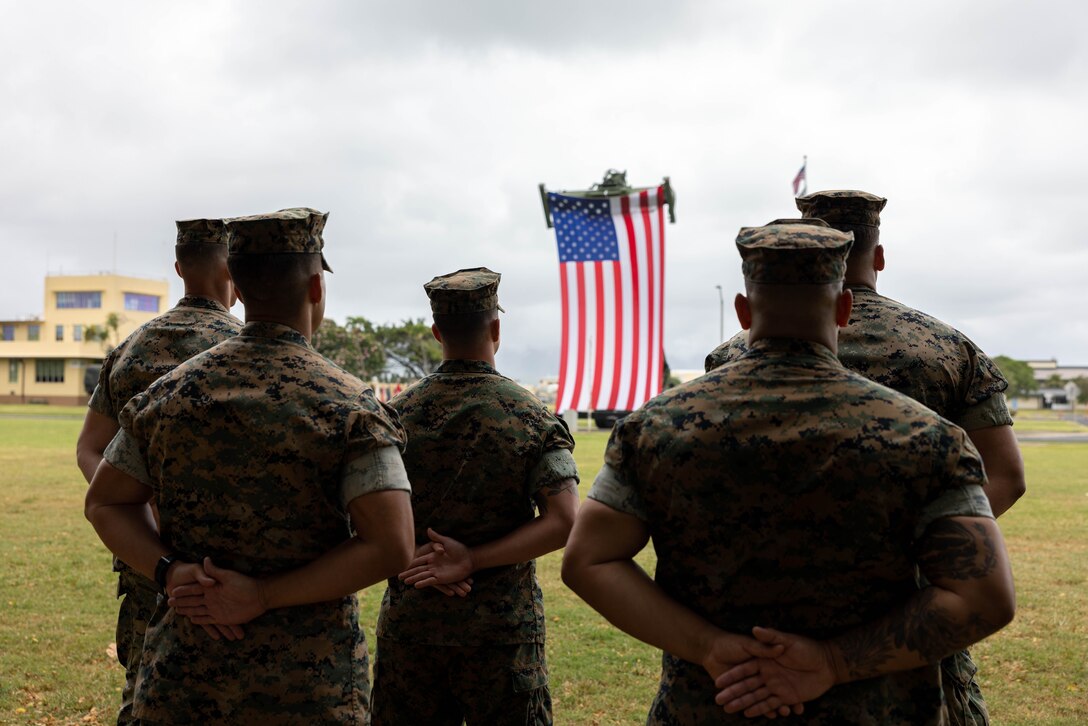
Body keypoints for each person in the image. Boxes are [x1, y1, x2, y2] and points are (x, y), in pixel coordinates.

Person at [562, 223, 1015, 724]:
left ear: (743, 310)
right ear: (843, 309)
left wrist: (710, 646)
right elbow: (985, 598)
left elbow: (589, 562)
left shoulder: (654, 427)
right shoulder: (926, 436)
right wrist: (833, 662)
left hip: (713, 703)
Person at [84, 207, 414, 724]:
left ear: (236, 282)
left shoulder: (169, 394)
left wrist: (170, 571)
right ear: (315, 289)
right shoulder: (350, 405)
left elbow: (105, 501)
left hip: (182, 678)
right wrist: (262, 595)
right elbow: (393, 543)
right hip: (309, 686)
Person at [705, 193, 1025, 724]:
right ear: (877, 255)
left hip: (763, 615)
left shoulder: (733, 353)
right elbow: (1007, 478)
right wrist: (917, 553)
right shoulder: (946, 348)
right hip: (909, 609)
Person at [370, 268, 580, 726]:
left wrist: (410, 556)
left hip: (412, 630)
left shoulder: (392, 416)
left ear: (436, 332)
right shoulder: (530, 416)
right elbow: (565, 519)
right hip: (501, 636)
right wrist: (471, 560)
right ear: (496, 330)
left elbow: (355, 516)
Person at [75, 217, 241, 725]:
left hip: (151, 567)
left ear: (178, 268)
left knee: (146, 697)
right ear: (234, 271)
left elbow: (89, 449)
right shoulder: (250, 351)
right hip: (232, 572)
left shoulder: (129, 352)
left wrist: (143, 509)